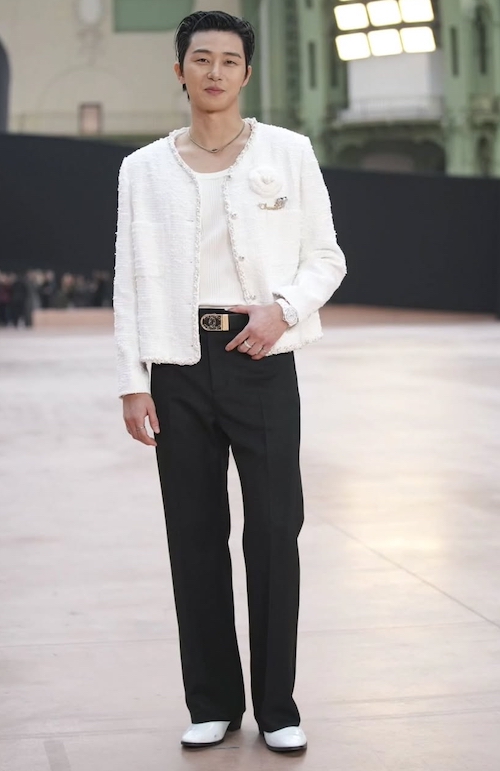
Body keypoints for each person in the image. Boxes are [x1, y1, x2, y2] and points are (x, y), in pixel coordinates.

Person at [113, 10, 346, 754]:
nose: (215, 72)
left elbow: (327, 256)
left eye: (229, 60)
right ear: (179, 71)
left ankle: (277, 706)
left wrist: (284, 310)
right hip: (178, 366)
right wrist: (133, 379)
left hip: (262, 359)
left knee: (275, 531)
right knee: (194, 535)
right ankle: (212, 700)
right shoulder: (143, 168)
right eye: (201, 59)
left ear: (247, 73)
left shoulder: (289, 151)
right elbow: (129, 280)